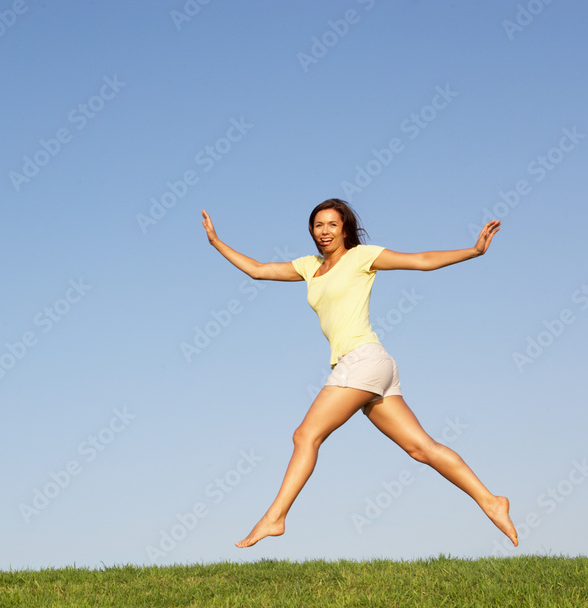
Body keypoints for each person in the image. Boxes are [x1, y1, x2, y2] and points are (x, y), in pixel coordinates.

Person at [199, 199, 518, 549]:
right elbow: (258, 269)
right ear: (311, 230)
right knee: (421, 448)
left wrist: (473, 251)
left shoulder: (362, 257)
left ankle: (275, 518)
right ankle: (491, 501)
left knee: (305, 435)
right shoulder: (309, 267)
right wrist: (216, 243)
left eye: (332, 225)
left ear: (345, 229)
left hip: (363, 361)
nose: (324, 231)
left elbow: (421, 261)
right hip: (372, 366)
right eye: (318, 225)